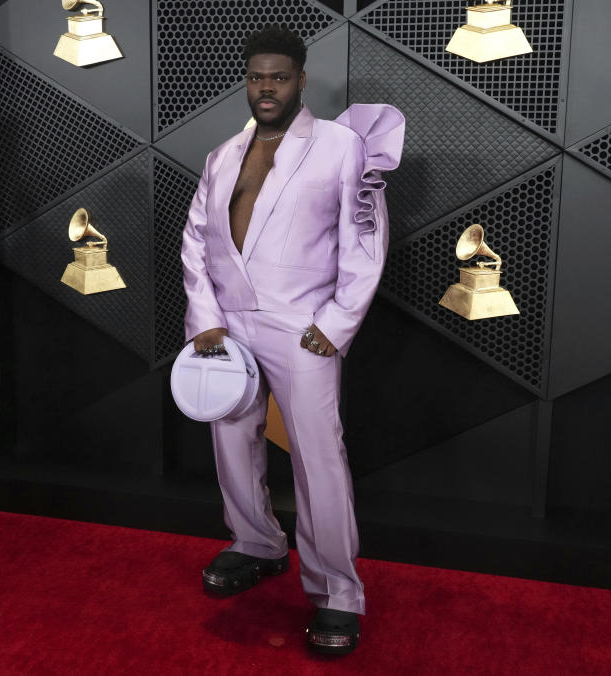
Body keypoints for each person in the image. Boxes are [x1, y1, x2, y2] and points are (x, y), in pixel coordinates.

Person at [179, 24, 404, 655]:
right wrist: (206, 318)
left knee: (318, 458)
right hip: (229, 324)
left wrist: (334, 325)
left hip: (304, 328)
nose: (266, 87)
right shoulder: (223, 154)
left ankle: (337, 592)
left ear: (301, 79)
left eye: (278, 76)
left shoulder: (339, 147)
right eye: (256, 77)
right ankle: (256, 543)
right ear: (246, 81)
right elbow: (198, 240)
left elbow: (364, 243)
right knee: (230, 442)